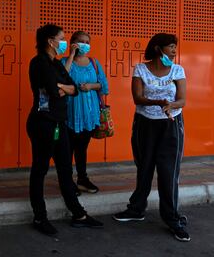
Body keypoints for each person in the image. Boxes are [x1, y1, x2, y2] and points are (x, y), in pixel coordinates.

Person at [27, 24, 103, 236]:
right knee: (40, 170)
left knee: (64, 170)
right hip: (42, 124)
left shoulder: (56, 64)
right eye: (61, 39)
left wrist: (61, 87)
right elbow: (53, 91)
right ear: (50, 41)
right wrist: (61, 88)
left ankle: (78, 214)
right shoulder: (39, 63)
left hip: (59, 123)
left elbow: (72, 89)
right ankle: (40, 217)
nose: (64, 43)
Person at [112, 33, 189, 242]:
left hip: (171, 125)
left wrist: (172, 105)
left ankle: (173, 219)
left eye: (175, 47)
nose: (174, 51)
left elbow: (182, 100)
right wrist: (158, 102)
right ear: (158, 48)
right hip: (144, 125)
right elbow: (137, 97)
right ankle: (136, 209)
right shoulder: (140, 69)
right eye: (171, 47)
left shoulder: (177, 70)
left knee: (168, 172)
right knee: (144, 168)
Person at [62, 31, 109, 194]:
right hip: (69, 113)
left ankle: (82, 179)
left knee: (82, 148)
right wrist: (71, 55)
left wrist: (90, 86)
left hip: (89, 114)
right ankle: (67, 182)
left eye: (87, 42)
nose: (84, 44)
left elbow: (104, 86)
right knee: (67, 149)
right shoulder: (63, 62)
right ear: (72, 43)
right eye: (80, 41)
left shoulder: (94, 63)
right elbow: (60, 79)